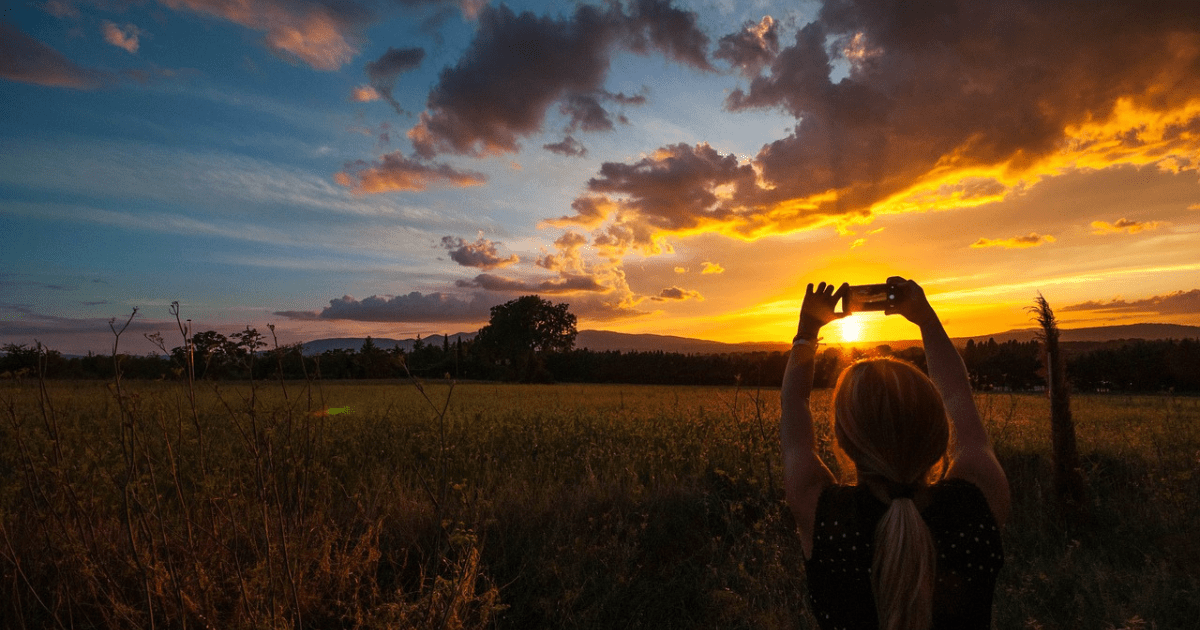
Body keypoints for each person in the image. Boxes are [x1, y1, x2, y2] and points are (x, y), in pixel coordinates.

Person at [780, 278, 1011, 630]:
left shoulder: (821, 511)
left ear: (843, 440)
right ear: (940, 435)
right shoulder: (979, 496)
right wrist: (925, 318)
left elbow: (794, 404)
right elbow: (958, 394)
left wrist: (807, 332)